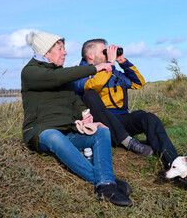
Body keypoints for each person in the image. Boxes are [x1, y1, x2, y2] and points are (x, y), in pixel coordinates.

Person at [21, 32, 132, 207]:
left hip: (68, 130)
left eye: (64, 48)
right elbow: (57, 78)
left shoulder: (61, 73)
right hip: (40, 132)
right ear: (46, 52)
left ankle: (106, 186)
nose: (65, 53)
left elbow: (75, 100)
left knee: (101, 131)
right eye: (60, 49)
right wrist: (98, 67)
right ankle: (108, 181)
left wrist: (84, 114)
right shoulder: (31, 72)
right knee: (53, 136)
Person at [75, 39, 178, 169]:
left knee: (147, 117)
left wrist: (122, 62)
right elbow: (92, 86)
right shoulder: (80, 73)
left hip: (122, 118)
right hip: (102, 124)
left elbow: (138, 83)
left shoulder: (113, 72)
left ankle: (174, 162)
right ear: (90, 55)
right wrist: (110, 63)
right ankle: (128, 142)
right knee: (89, 95)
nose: (108, 54)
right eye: (104, 51)